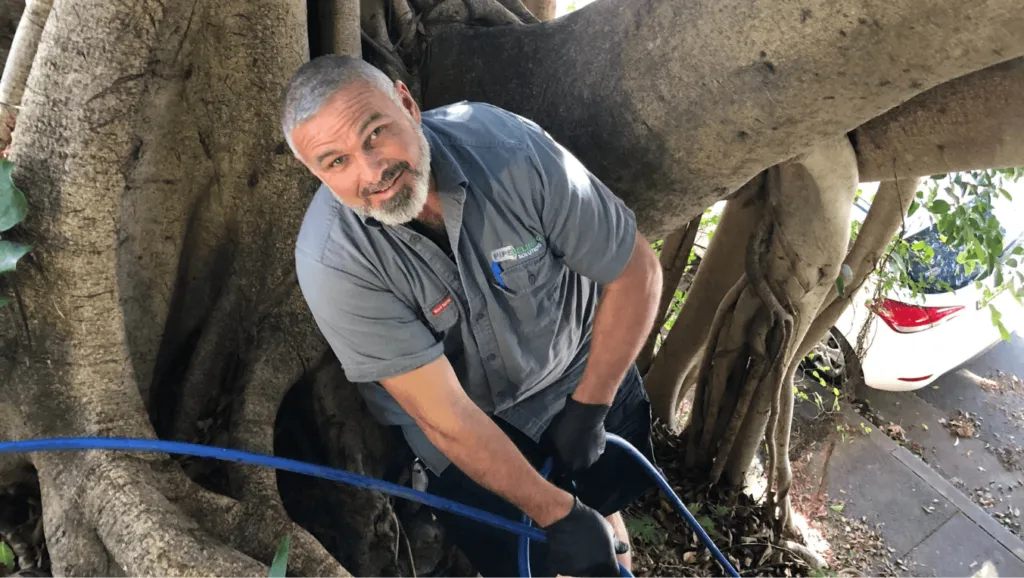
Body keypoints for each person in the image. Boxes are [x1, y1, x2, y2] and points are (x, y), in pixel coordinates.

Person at [283, 54, 663, 577]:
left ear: (408, 104)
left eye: (375, 134)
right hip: (469, 424)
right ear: (316, 174)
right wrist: (557, 513)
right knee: (540, 552)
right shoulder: (332, 261)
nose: (372, 173)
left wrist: (592, 404)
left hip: (581, 369)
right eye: (336, 162)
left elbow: (636, 271)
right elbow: (446, 418)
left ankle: (610, 528)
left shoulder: (509, 151)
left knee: (605, 516)